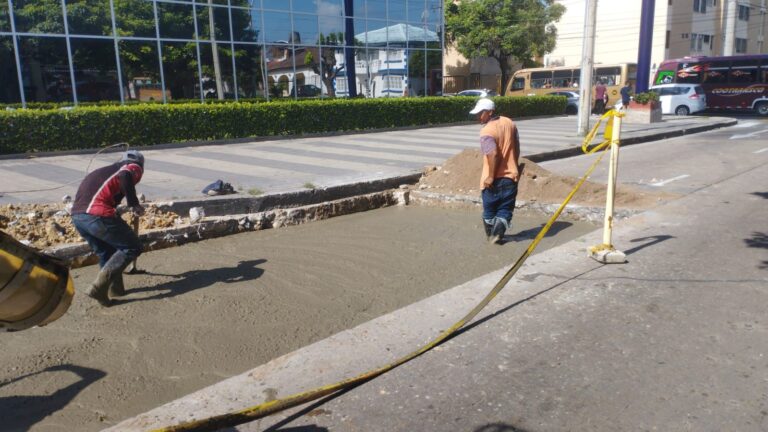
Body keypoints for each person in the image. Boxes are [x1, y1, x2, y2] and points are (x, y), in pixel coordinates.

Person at [71, 150, 145, 307]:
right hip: (97, 214)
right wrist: (134, 204)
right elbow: (126, 175)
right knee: (132, 247)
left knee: (107, 252)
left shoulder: (104, 171)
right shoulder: (132, 166)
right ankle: (98, 288)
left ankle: (114, 290)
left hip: (79, 217)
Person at [469, 98, 521, 244]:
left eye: (481, 113)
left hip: (491, 180)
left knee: (489, 212)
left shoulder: (487, 131)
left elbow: (493, 154)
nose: (478, 116)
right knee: (505, 210)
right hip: (510, 177)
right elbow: (516, 147)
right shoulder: (509, 123)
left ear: (490, 112)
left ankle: (493, 236)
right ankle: (497, 234)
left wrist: (491, 177)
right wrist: (515, 166)